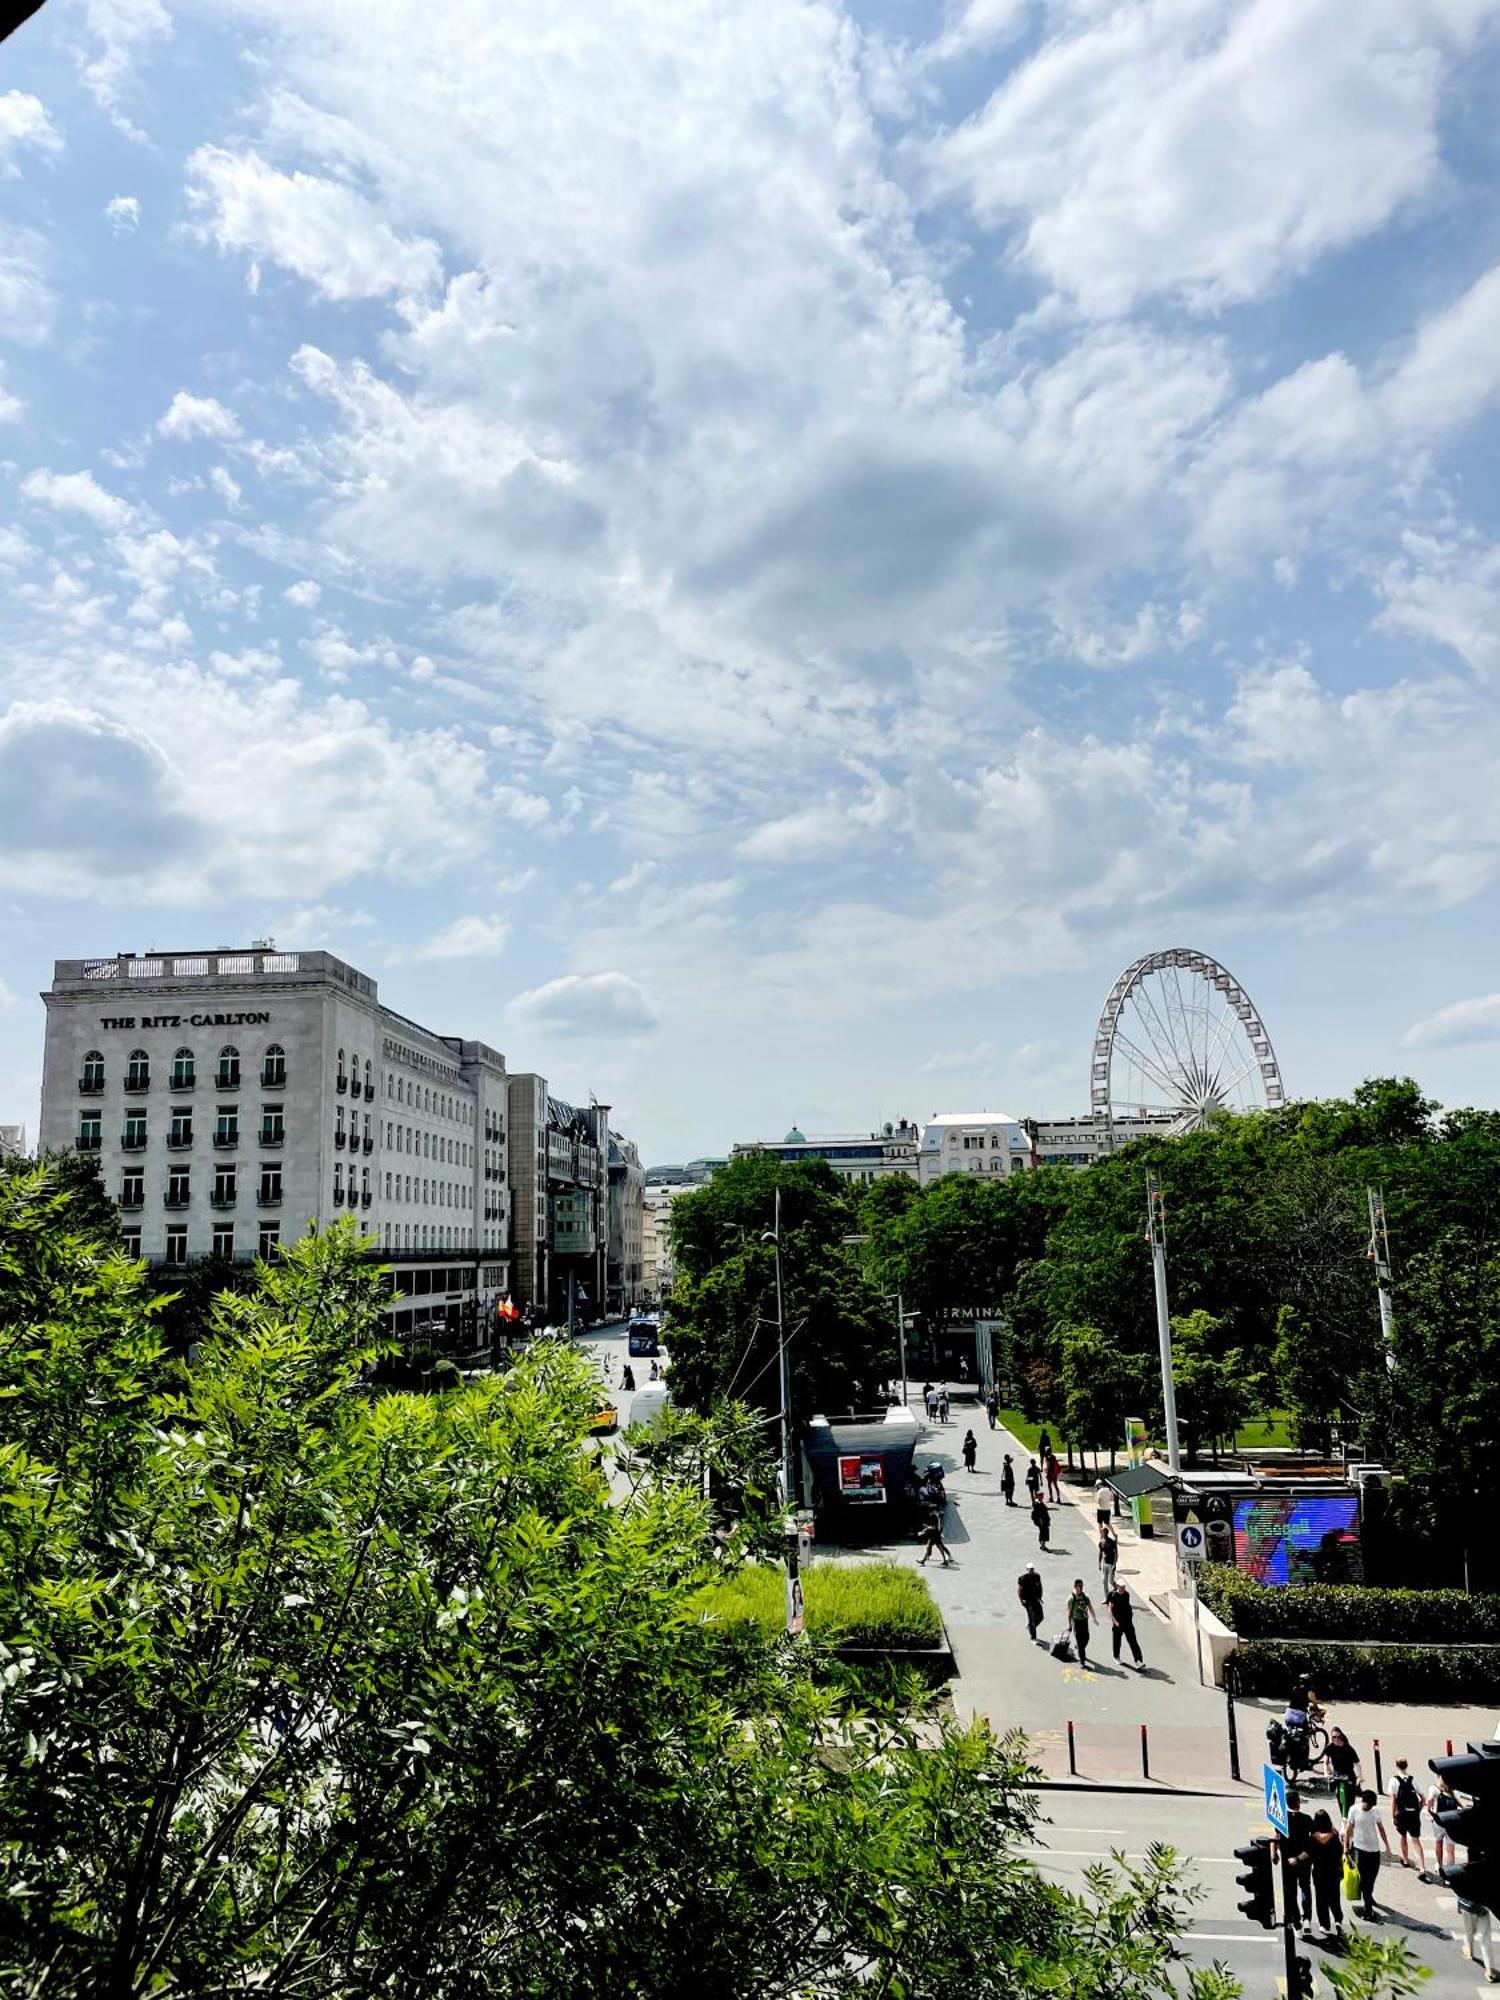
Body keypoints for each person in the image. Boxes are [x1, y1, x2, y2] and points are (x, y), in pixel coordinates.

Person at [1343, 1788, 1390, 1920]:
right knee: (1364, 1879)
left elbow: (1381, 1829)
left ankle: (1369, 1896)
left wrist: (1387, 1845)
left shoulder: (1375, 1811)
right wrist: (1346, 1847)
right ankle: (1368, 1909)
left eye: (1371, 1805)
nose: (1369, 1807)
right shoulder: (1354, 1810)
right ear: (1363, 1801)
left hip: (1374, 1849)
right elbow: (1348, 1830)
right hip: (1360, 1849)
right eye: (1367, 1805)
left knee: (1372, 1878)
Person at [1307, 1808, 1345, 1942]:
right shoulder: (1334, 1835)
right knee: (1334, 1897)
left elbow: (1310, 1852)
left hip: (1319, 1871)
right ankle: (1338, 1920)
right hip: (1333, 1870)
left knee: (1321, 1898)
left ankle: (1324, 1924)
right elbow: (1340, 1852)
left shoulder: (1314, 1837)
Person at [1281, 1788, 1315, 1935]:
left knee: (1291, 1892)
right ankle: (1306, 1918)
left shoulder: (1281, 1819)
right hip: (1304, 1859)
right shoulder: (1307, 1819)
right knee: (1305, 1887)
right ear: (1298, 1803)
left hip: (1287, 1861)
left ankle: (1296, 1924)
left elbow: (1276, 1837)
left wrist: (1274, 1854)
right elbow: (1313, 1839)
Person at [1386, 1759, 1426, 1873]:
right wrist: (1418, 1810)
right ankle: (1422, 1867)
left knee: (1403, 1836)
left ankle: (1405, 1859)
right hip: (1413, 1814)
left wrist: (1393, 1815)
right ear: (1406, 1766)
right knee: (1416, 1840)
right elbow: (1423, 1798)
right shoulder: (1413, 1780)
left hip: (1402, 1814)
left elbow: (1393, 1799)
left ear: (1396, 1766)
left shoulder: (1394, 1780)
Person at [1427, 1767, 1459, 1881]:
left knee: (1438, 1843)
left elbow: (1429, 1801)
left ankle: (1440, 1866)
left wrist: (1431, 1813)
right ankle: (1449, 1875)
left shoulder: (1434, 1788)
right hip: (1451, 1822)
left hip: (1439, 1821)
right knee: (1450, 1850)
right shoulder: (1452, 1789)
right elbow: (1461, 1804)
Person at [1459, 1897, 1499, 1983]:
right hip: (1482, 1907)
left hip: (1467, 1905)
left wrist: (1459, 1905)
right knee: (1485, 1938)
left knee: (1469, 1931)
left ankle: (1469, 1950)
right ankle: (1489, 1970)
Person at [1324, 1727, 1362, 1816]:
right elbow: (1326, 1762)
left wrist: (1359, 1776)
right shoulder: (1330, 1747)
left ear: (1342, 1737)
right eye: (1334, 1737)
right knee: (1339, 1797)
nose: (1336, 1739)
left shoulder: (1348, 1748)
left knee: (1350, 1799)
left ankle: (1350, 1817)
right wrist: (1326, 1772)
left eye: (1338, 1737)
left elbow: (1357, 1763)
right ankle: (1343, 1816)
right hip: (1337, 1774)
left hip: (1349, 1774)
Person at [1104, 1580, 1144, 1666]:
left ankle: (1138, 1660)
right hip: (1118, 1622)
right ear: (1117, 1586)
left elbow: (1127, 1606)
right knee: (1117, 1640)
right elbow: (1110, 1609)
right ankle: (1116, 1656)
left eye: (1124, 1587)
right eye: (1121, 1587)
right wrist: (1114, 1621)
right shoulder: (1112, 1595)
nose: (1123, 1588)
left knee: (1133, 1641)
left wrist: (1131, 1614)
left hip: (1128, 1622)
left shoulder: (1127, 1594)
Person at [1066, 1578, 1097, 1667]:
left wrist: (1094, 1618)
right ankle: (1082, 1661)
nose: (1081, 1587)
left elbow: (1090, 1607)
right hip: (1076, 1621)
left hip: (1084, 1620)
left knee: (1086, 1638)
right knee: (1080, 1641)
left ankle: (1079, 1649)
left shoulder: (1085, 1597)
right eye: (1079, 1586)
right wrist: (1069, 1624)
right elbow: (1069, 1611)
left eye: (1082, 1586)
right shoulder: (1071, 1598)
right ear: (1075, 1587)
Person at [1017, 1563, 1044, 1640]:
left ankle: (1030, 1627)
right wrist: (1021, 1600)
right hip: (1027, 1601)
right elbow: (1019, 1590)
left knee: (1040, 1617)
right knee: (1032, 1618)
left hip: (1035, 1599)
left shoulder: (1037, 1576)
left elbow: (1039, 1587)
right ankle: (1033, 1636)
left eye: (1032, 1569)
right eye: (1030, 1569)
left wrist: (1040, 1597)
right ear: (1027, 1569)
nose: (1031, 1570)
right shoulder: (1023, 1578)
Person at [1098, 1523, 1119, 1595]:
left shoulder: (1111, 1542)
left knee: (1111, 1580)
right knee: (1104, 1581)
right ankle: (1106, 1597)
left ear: (1105, 1533)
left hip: (1111, 1564)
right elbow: (1100, 1553)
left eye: (1102, 1532)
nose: (1101, 1533)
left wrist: (1114, 1565)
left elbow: (1116, 1554)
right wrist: (1099, 1563)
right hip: (1105, 1563)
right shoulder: (1101, 1542)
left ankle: (1118, 1588)